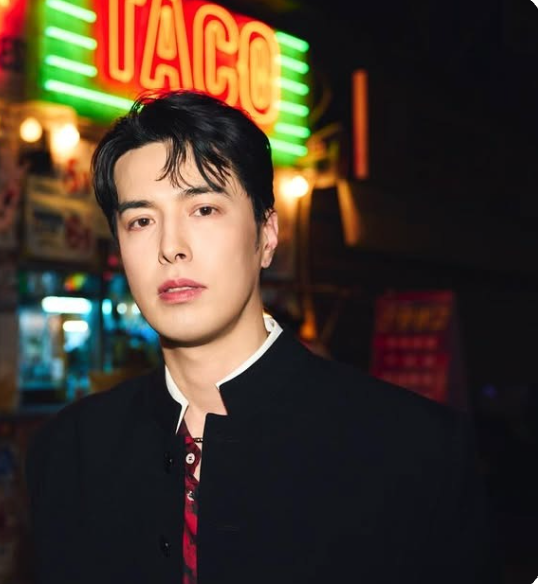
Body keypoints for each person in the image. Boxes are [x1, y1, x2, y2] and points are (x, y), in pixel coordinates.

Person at [25, 91, 497, 584]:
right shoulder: (68, 452)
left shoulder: (414, 450)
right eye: (141, 221)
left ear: (266, 235)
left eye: (204, 209)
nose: (171, 247)